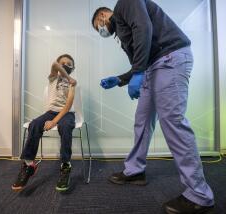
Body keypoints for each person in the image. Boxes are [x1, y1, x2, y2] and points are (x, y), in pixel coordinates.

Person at [91, 0, 214, 213]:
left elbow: (144, 28)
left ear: (103, 14)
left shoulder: (124, 5)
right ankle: (135, 170)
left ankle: (199, 195)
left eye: (98, 24)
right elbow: (142, 58)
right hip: (154, 66)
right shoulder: (121, 31)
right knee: (142, 120)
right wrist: (121, 79)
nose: (101, 29)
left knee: (173, 122)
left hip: (169, 58)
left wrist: (138, 72)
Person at [12, 54, 77, 192]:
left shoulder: (73, 83)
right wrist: (67, 76)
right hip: (50, 111)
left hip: (66, 113)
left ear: (74, 67)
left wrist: (54, 122)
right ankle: (29, 164)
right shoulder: (53, 78)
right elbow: (54, 64)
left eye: (69, 63)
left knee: (65, 126)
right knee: (34, 124)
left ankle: (66, 165)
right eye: (63, 63)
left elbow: (68, 104)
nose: (65, 65)